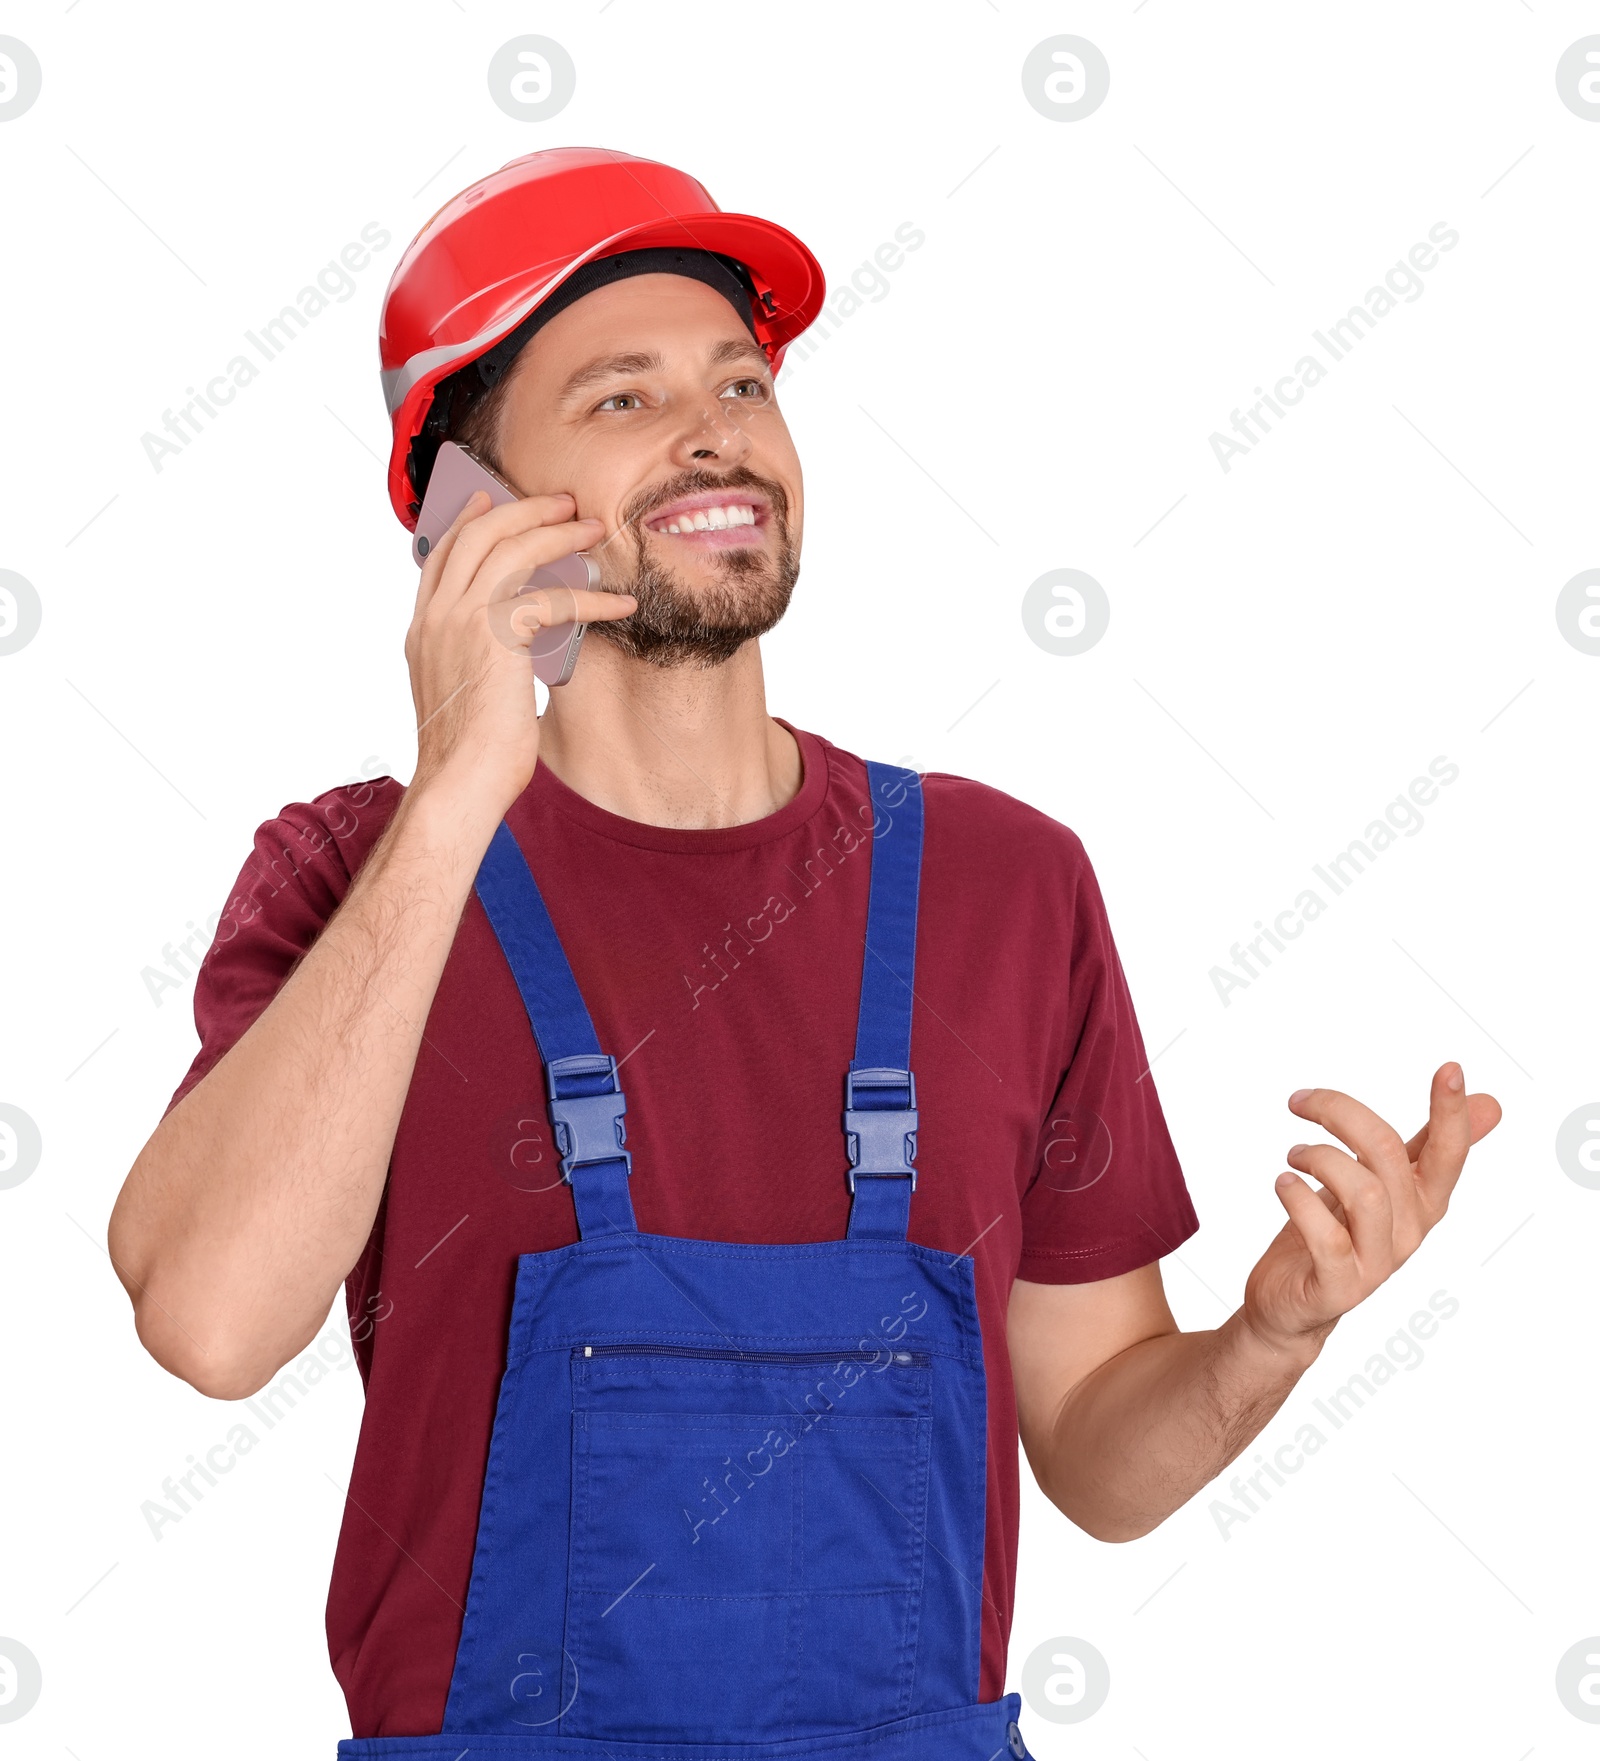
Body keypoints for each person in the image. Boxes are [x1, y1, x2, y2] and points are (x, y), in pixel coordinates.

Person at [107, 147, 1501, 1759]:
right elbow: (207, 1323)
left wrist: (1272, 1338)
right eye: (622, 398)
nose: (715, 431)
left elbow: (1101, 1458)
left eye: (743, 383)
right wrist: (457, 791)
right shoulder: (354, 875)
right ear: (471, 512)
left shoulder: (1006, 883)